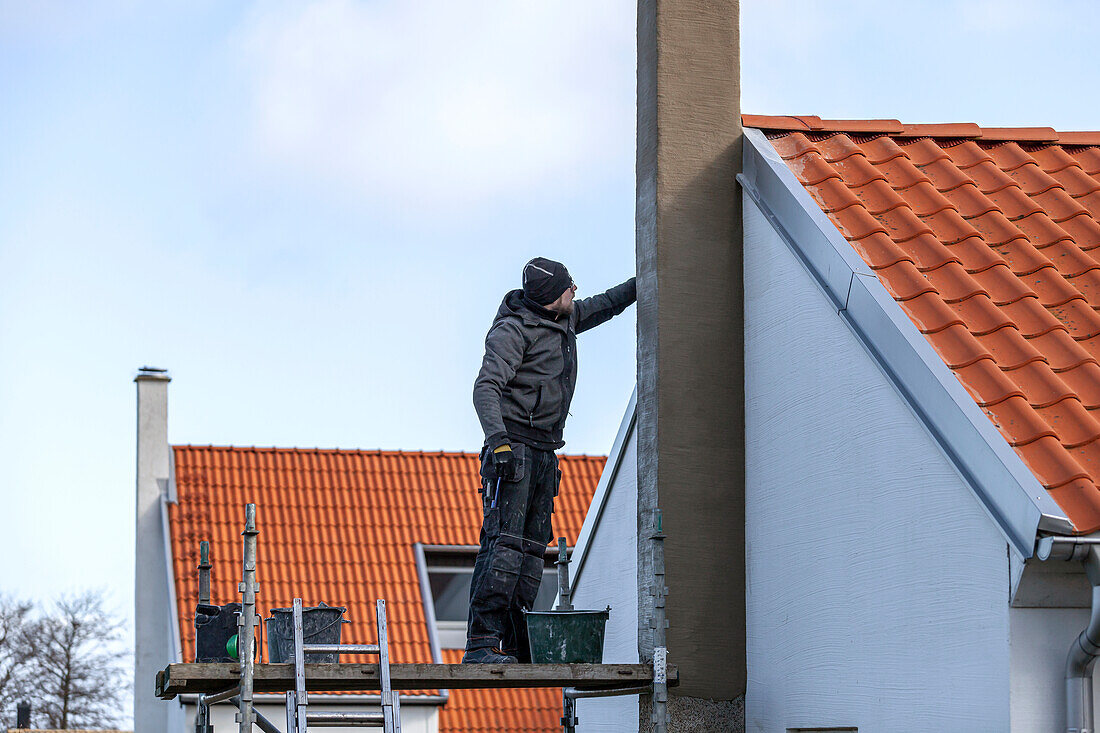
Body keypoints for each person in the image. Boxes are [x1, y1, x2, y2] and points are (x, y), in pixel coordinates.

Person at [463, 257, 636, 664]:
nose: (574, 290)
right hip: (514, 452)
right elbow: (485, 386)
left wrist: (648, 276)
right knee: (503, 545)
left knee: (530, 551)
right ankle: (482, 644)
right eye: (567, 286)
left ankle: (517, 643)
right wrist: (499, 441)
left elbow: (608, 302)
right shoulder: (513, 331)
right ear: (547, 296)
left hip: (543, 452)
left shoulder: (565, 319)